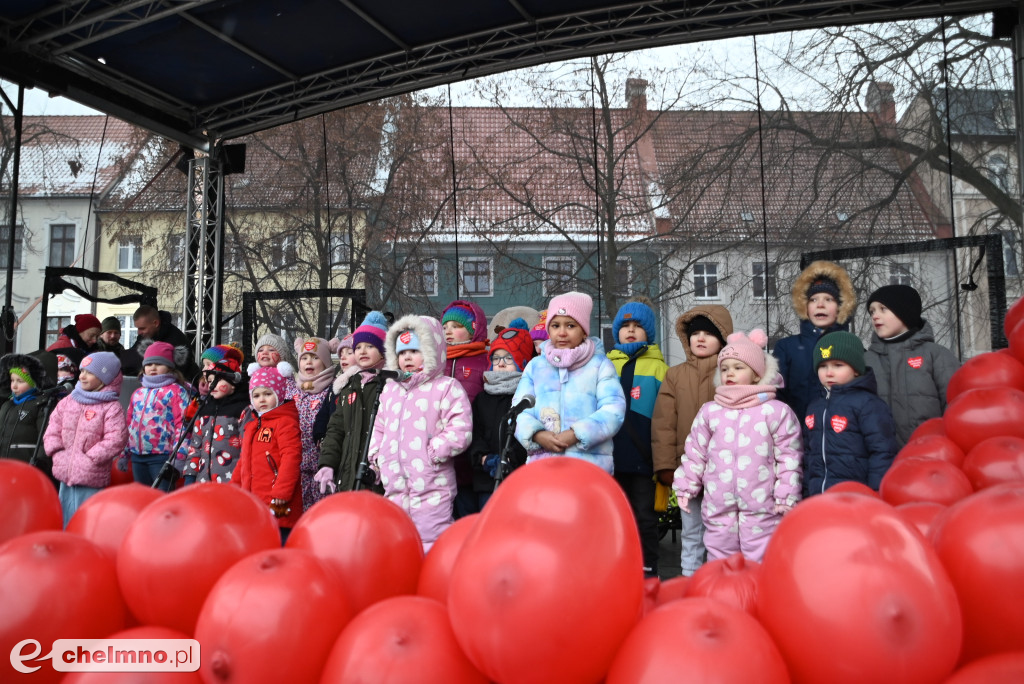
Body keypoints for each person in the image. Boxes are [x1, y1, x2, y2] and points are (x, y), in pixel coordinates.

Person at [673, 330, 802, 563]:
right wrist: (685, 486)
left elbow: (789, 457)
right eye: (724, 368)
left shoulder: (775, 411)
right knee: (720, 558)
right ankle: (723, 597)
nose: (729, 373)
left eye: (738, 367)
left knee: (761, 559)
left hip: (763, 506)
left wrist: (786, 495)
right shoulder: (711, 411)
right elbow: (695, 453)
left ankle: (760, 597)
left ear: (756, 374)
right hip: (718, 504)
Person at [367, 315, 473, 551]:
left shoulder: (445, 387)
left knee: (431, 539)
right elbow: (379, 427)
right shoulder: (390, 390)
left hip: (431, 483)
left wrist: (433, 452)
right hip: (393, 483)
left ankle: (433, 581)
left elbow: (460, 428)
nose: (407, 357)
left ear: (431, 351)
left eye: (414, 351)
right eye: (402, 353)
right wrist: (376, 458)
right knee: (398, 539)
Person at [651, 305, 733, 576]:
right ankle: (690, 579)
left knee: (721, 530)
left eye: (708, 334)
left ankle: (717, 578)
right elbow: (664, 423)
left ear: (722, 338)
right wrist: (665, 465)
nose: (700, 338)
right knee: (691, 530)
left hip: (726, 470)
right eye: (695, 333)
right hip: (688, 470)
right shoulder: (675, 375)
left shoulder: (731, 373)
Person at [512, 292, 626, 475]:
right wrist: (537, 434)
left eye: (571, 325)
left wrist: (576, 434)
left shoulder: (600, 365)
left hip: (589, 470)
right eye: (556, 325)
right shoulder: (535, 367)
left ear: (583, 330)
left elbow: (613, 410)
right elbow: (517, 411)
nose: (562, 332)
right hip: (543, 469)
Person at [607, 299, 668, 578]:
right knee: (614, 519)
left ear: (649, 332)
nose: (630, 331)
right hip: (610, 458)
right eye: (624, 326)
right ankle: (617, 570)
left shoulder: (659, 368)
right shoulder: (605, 365)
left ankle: (648, 571)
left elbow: (666, 416)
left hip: (644, 459)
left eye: (638, 326)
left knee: (645, 518)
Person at [863, 284, 961, 447]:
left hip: (929, 454)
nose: (875, 316)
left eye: (883, 309)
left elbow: (956, 407)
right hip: (881, 462)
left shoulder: (936, 355)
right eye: (872, 311)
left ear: (905, 311)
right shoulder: (866, 360)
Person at [804, 331, 898, 495]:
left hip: (856, 497)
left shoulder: (868, 404)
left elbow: (882, 452)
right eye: (823, 366)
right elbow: (808, 455)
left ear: (855, 369)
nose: (829, 372)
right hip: (819, 499)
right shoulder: (814, 406)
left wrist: (875, 492)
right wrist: (806, 492)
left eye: (838, 365)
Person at [43, 351, 128, 525]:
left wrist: (90, 458)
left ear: (104, 378)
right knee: (65, 515)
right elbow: (53, 426)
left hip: (91, 474)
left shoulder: (111, 407)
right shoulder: (69, 400)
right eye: (82, 371)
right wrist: (56, 450)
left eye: (90, 372)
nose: (82, 376)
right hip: (65, 470)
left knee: (86, 518)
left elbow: (117, 438)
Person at [316, 311, 390, 495]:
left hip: (377, 479)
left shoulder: (390, 384)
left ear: (383, 350)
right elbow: (336, 428)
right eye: (358, 347)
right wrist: (327, 463)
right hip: (348, 476)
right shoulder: (349, 385)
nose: (362, 351)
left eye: (370, 346)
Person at [773, 260, 856, 421]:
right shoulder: (787, 348)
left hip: (842, 436)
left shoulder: (851, 347)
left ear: (841, 306)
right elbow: (777, 395)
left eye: (828, 299)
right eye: (813, 299)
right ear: (805, 307)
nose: (820, 305)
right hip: (797, 434)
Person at [466, 318, 534, 507]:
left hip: (520, 479)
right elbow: (475, 433)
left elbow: (530, 432)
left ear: (523, 362)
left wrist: (513, 457)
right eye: (496, 358)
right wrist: (483, 458)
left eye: (508, 358)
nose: (501, 364)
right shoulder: (483, 398)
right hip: (487, 481)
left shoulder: (526, 396)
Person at [235, 363, 302, 544]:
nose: (262, 399)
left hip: (278, 502)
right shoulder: (252, 425)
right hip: (255, 503)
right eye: (256, 395)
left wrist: (281, 492)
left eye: (267, 394)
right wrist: (234, 488)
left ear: (279, 395)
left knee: (279, 546)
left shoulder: (285, 422)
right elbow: (244, 461)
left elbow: (291, 457)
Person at [441, 299, 490, 518]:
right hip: (444, 453)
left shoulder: (484, 360)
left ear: (474, 328)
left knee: (474, 515)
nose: (448, 331)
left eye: (456, 326)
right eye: (444, 327)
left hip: (475, 450)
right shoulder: (437, 362)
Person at [121, 341, 191, 489]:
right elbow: (129, 425)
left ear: (170, 367)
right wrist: (124, 453)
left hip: (163, 457)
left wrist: (179, 456)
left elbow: (183, 426)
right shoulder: (138, 393)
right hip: (137, 456)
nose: (153, 368)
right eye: (149, 364)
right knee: (143, 500)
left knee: (161, 500)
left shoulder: (176, 391)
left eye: (158, 364)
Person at [184, 347, 248, 484]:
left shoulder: (244, 409)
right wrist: (190, 476)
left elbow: (247, 450)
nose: (212, 385)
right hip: (203, 482)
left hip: (231, 482)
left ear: (233, 383)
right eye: (209, 380)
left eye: (217, 380)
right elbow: (195, 446)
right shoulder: (204, 408)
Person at [292, 335, 340, 511]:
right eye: (304, 358)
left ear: (326, 362)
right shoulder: (292, 390)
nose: (308, 362)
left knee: (323, 514)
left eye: (315, 357)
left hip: (323, 468)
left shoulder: (334, 389)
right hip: (297, 468)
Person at [0, 353, 54, 479]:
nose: (14, 386)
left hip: (26, 467)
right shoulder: (7, 406)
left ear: (33, 383)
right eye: (12, 380)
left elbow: (45, 438)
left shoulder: (40, 405)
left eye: (20, 381)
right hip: (4, 467)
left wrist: (40, 463)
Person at [130, 305, 198, 379]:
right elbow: (133, 359)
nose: (139, 332)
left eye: (142, 328)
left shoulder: (177, 340)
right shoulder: (145, 336)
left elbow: (178, 373)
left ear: (156, 323)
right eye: (138, 328)